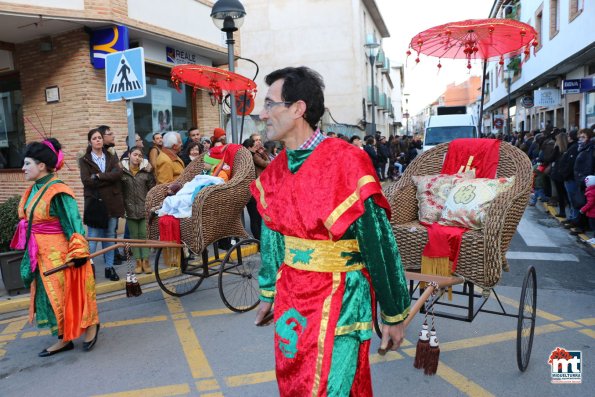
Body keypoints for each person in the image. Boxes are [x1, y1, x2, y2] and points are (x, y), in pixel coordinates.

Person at [251, 66, 410, 396]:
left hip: (340, 297)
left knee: (329, 388)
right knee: (295, 383)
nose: (262, 114)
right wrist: (268, 291)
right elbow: (272, 237)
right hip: (292, 299)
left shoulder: (347, 161)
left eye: (269, 104)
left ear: (297, 109)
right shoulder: (276, 169)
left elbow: (379, 242)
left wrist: (394, 312)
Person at [11, 138, 100, 356]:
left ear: (41, 165)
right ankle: (64, 338)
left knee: (69, 294)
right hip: (39, 255)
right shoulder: (33, 189)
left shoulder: (58, 190)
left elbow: (73, 223)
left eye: (27, 164)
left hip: (60, 255)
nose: (23, 169)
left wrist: (79, 252)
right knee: (51, 299)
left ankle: (91, 325)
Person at [79, 128, 125, 281]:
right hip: (96, 204)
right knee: (93, 238)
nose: (98, 140)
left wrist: (99, 176)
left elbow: (119, 174)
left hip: (112, 202)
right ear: (90, 142)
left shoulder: (111, 155)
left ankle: (109, 267)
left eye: (99, 137)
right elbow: (87, 181)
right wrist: (108, 178)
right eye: (94, 138)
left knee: (110, 237)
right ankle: (87, 269)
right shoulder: (84, 159)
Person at [121, 147, 156, 273]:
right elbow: (119, 192)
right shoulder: (122, 171)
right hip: (129, 209)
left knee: (144, 235)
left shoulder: (146, 171)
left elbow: (152, 190)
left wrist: (151, 206)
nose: (137, 157)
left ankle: (146, 261)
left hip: (144, 209)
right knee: (134, 237)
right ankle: (138, 261)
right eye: (135, 154)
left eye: (140, 155)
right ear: (129, 155)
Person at [243, 137, 270, 240]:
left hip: (255, 188)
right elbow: (267, 164)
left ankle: (260, 240)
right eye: (254, 146)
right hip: (252, 190)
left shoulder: (253, 155)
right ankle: (258, 240)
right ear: (249, 147)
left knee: (258, 217)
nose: (256, 148)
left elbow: (268, 161)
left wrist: (262, 153)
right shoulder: (251, 156)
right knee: (255, 217)